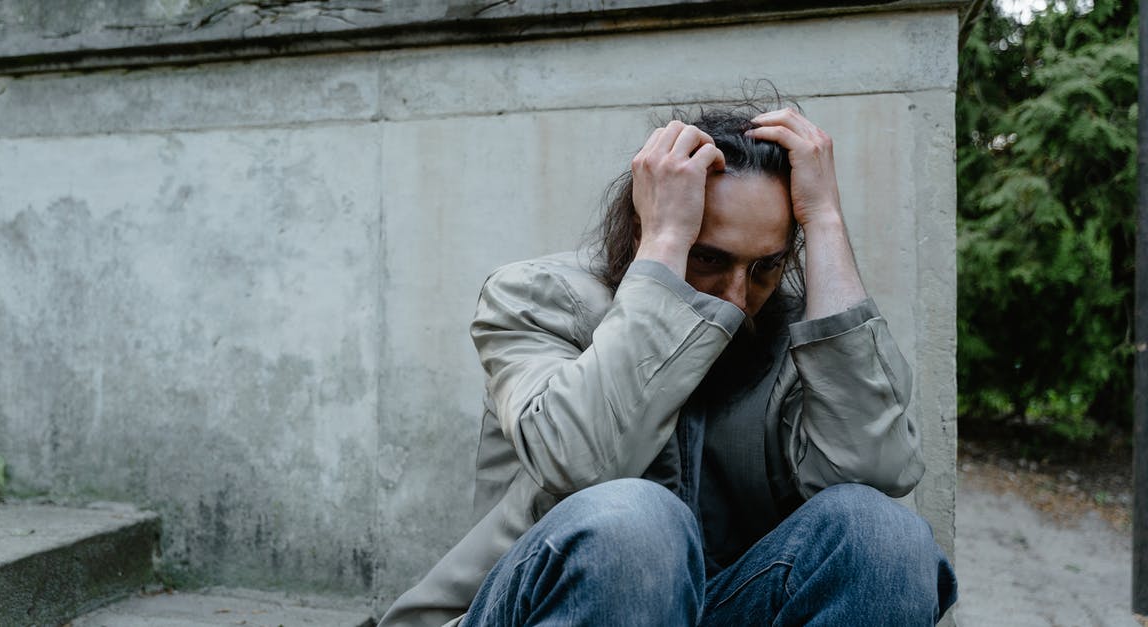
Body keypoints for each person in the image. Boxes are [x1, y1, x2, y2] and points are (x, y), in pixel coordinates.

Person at [378, 98, 958, 626]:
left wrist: (825, 221)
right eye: (708, 257)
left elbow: (875, 473)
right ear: (646, 228)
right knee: (636, 522)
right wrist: (661, 249)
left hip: (727, 606)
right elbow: (583, 464)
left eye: (765, 267)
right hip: (539, 607)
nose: (736, 297)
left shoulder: (798, 334)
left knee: (885, 534)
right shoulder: (535, 298)